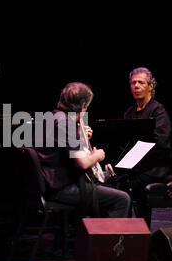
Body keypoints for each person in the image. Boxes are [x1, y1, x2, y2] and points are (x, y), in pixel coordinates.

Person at [34, 82, 131, 218]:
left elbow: (61, 148)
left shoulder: (52, 116)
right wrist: (98, 155)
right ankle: (109, 239)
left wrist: (78, 137)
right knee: (122, 199)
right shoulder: (65, 124)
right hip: (60, 189)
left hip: (48, 184)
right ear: (83, 106)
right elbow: (82, 163)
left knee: (108, 179)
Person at [122, 67, 172, 215]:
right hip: (134, 166)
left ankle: (140, 227)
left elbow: (160, 142)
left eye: (141, 83)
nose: (136, 86)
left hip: (154, 167)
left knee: (128, 183)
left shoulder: (158, 111)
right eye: (133, 83)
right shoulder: (129, 113)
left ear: (151, 86)